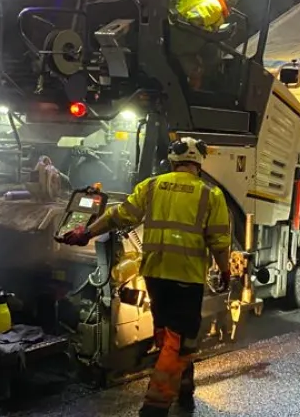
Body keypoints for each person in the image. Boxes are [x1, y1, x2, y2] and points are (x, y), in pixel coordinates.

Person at [58, 137, 233, 416]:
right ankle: (155, 406)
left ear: (172, 161)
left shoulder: (151, 186)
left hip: (154, 274)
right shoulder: (210, 194)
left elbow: (118, 216)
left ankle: (184, 388)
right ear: (198, 164)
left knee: (169, 335)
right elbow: (220, 242)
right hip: (187, 277)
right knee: (180, 341)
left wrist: (86, 233)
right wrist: (225, 270)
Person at [173, 0, 242, 33]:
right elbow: (193, 20)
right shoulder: (215, 6)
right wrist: (212, 30)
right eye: (234, 2)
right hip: (184, 37)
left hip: (173, 29)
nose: (233, 5)